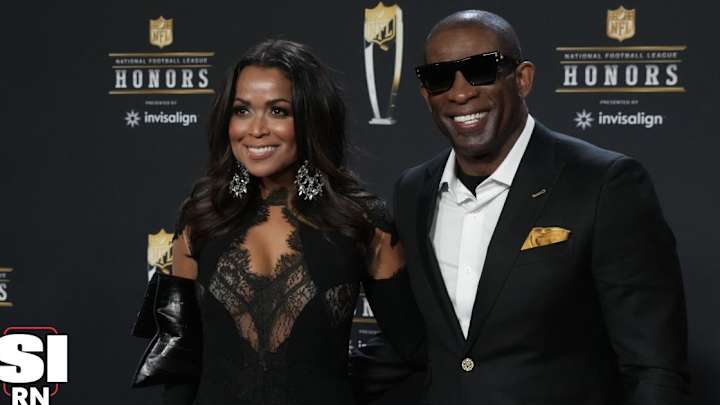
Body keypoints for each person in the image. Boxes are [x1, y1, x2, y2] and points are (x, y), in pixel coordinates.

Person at [391, 10, 690, 404]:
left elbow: (655, 369)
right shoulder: (414, 191)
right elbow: (418, 347)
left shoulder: (604, 183)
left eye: (480, 71)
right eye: (439, 77)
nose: (460, 93)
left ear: (523, 79)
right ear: (425, 95)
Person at [130, 39, 424, 405]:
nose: (256, 129)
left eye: (278, 111)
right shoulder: (201, 217)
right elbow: (181, 367)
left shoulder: (363, 221)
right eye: (242, 110)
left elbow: (414, 349)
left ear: (311, 118)